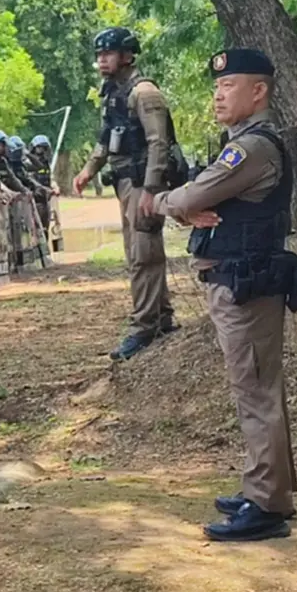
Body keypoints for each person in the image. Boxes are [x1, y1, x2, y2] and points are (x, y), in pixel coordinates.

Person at [147, 49, 297, 542]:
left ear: (258, 92)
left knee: (255, 392)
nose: (218, 95)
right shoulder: (243, 143)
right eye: (216, 86)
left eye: (228, 85)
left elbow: (193, 195)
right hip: (240, 281)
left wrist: (167, 203)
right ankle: (269, 489)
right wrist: (185, 205)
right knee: (259, 389)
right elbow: (197, 198)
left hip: (246, 285)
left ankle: (266, 504)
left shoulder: (252, 148)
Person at [73, 27, 178, 361]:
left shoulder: (144, 93)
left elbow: (159, 143)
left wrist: (151, 188)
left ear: (127, 55)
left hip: (142, 183)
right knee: (137, 252)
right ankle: (160, 315)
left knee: (144, 253)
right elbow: (107, 137)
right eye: (99, 55)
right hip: (125, 183)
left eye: (108, 53)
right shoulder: (113, 93)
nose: (102, 60)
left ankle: (145, 326)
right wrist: (89, 169)